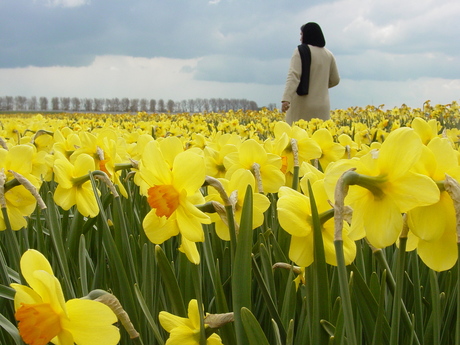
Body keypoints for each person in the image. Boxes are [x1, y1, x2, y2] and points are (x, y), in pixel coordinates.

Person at [281, 22, 340, 124]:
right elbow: (335, 80)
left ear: (307, 35)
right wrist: (319, 87)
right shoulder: (329, 55)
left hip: (303, 105)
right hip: (322, 106)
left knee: (298, 137)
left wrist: (286, 98)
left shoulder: (300, 51)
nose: (300, 38)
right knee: (319, 137)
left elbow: (294, 76)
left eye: (301, 35)